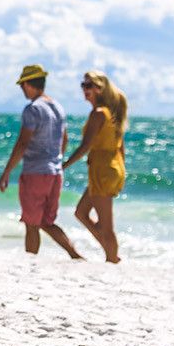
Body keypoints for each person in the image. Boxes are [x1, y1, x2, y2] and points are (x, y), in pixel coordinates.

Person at [0, 65, 82, 259]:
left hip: (35, 172)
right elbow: (65, 139)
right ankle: (75, 255)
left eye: (22, 85)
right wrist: (56, 160)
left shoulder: (33, 109)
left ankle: (30, 261)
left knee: (31, 223)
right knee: (46, 221)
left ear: (28, 84)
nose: (21, 89)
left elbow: (23, 142)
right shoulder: (57, 107)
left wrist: (7, 171)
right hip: (55, 172)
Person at [62, 71, 128, 263]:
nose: (85, 89)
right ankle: (111, 253)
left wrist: (64, 165)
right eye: (83, 85)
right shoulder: (110, 113)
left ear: (100, 89)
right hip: (108, 169)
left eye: (89, 86)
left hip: (104, 170)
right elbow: (120, 147)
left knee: (106, 226)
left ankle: (112, 259)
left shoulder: (99, 113)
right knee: (81, 212)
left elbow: (85, 146)